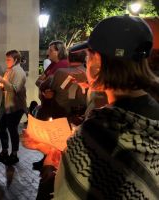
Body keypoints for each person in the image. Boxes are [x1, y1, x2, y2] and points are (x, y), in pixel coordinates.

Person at [23, 15, 159, 199]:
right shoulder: (151, 113)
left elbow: (61, 192)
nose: (86, 64)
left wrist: (50, 162)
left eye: (87, 57)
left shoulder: (98, 131)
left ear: (98, 62)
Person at [33, 40, 70, 171]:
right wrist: (45, 85)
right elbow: (39, 81)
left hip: (56, 107)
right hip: (46, 105)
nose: (48, 52)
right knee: (46, 136)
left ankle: (52, 163)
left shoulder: (64, 65)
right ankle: (46, 160)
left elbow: (56, 86)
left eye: (51, 49)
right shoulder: (52, 65)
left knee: (54, 137)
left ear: (58, 51)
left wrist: (47, 86)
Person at [0, 50, 27, 165]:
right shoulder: (9, 70)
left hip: (15, 106)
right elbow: (7, 87)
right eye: (6, 59)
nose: (6, 61)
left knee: (12, 129)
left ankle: (14, 154)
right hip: (7, 105)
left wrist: (3, 81)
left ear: (16, 60)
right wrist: (2, 86)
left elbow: (15, 89)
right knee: (2, 126)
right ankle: (4, 151)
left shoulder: (19, 72)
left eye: (9, 59)